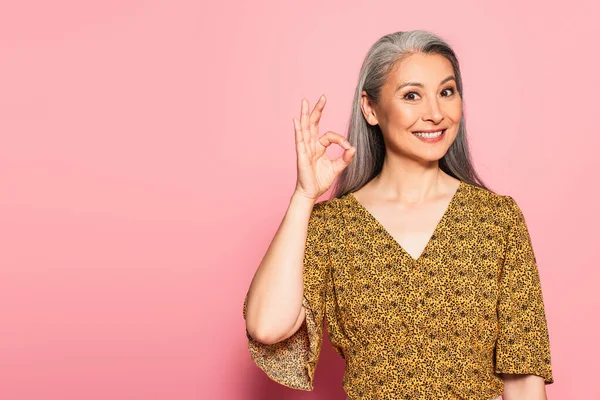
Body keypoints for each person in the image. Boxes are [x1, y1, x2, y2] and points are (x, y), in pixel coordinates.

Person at [242, 30, 554, 400]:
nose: (435, 113)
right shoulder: (332, 227)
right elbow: (267, 326)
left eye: (447, 92)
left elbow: (523, 377)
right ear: (370, 108)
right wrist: (304, 195)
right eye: (411, 95)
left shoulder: (497, 220)